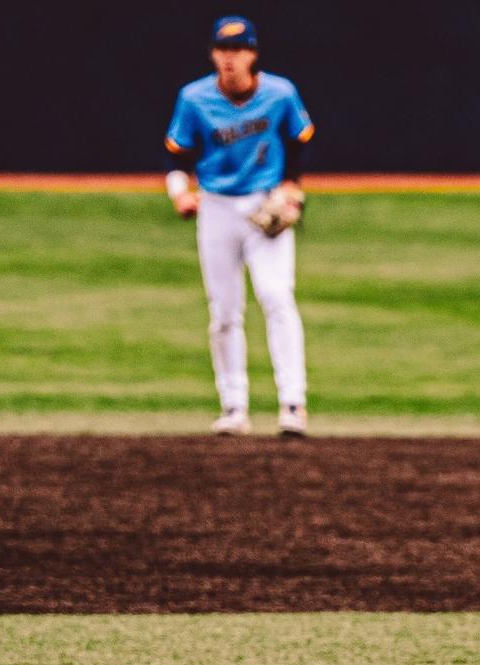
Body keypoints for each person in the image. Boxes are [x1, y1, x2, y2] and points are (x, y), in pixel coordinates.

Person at [164, 16, 313, 437]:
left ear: (252, 54)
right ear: (213, 54)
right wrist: (179, 192)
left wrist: (292, 189)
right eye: (223, 50)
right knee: (225, 311)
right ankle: (234, 406)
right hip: (216, 209)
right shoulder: (194, 99)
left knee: (276, 296)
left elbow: (298, 141)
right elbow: (176, 156)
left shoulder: (279, 93)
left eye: (238, 50)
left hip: (264, 205)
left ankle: (293, 403)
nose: (230, 59)